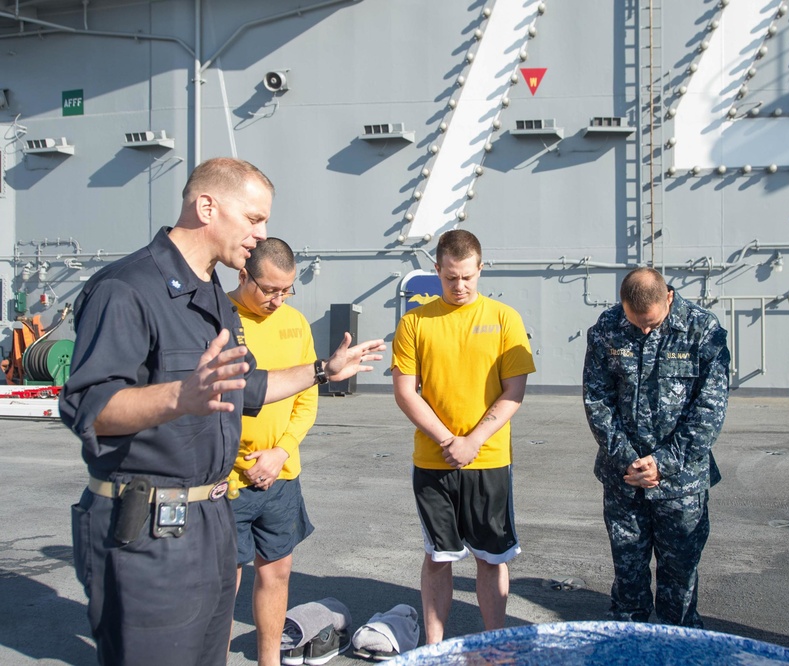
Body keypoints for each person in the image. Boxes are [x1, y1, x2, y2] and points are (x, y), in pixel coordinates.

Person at [59, 157, 385, 666]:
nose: (262, 234)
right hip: (150, 531)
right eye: (255, 219)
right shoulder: (126, 289)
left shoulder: (212, 293)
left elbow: (248, 386)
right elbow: (88, 406)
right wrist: (177, 397)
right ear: (206, 206)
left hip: (212, 519)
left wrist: (323, 369)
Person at [391, 229, 535, 644]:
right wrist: (448, 440)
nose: (460, 286)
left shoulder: (505, 318)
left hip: (489, 461)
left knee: (492, 559)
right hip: (435, 462)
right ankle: (435, 649)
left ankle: (495, 643)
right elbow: (405, 391)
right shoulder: (414, 322)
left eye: (468, 277)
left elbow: (515, 391)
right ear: (436, 270)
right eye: (451, 277)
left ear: (480, 269)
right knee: (438, 558)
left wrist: (473, 440)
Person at [583, 267, 729, 627]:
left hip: (681, 485)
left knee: (679, 585)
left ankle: (677, 650)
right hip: (625, 481)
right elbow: (597, 400)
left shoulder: (703, 330)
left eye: (651, 323)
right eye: (637, 323)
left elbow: (709, 408)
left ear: (669, 297)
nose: (644, 330)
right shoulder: (607, 328)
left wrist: (663, 462)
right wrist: (628, 459)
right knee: (628, 582)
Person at [225, 238, 338, 666]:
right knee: (223, 585)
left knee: (277, 572)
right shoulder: (217, 318)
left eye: (285, 290)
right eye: (269, 289)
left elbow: (307, 399)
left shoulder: (294, 322)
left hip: (280, 476)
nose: (277, 299)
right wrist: (244, 461)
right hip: (227, 481)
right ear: (242, 275)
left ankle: (269, 661)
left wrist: (281, 452)